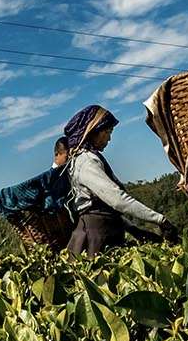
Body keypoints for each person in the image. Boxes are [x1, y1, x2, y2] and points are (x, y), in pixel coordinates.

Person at [63, 105, 180, 256]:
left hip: (104, 230)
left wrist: (133, 229)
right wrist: (160, 220)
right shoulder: (86, 161)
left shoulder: (88, 158)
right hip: (96, 236)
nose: (109, 138)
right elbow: (118, 200)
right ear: (93, 132)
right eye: (107, 132)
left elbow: (106, 208)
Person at [0, 137, 71, 216]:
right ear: (57, 154)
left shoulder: (70, 171)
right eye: (67, 156)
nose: (70, 159)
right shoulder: (47, 179)